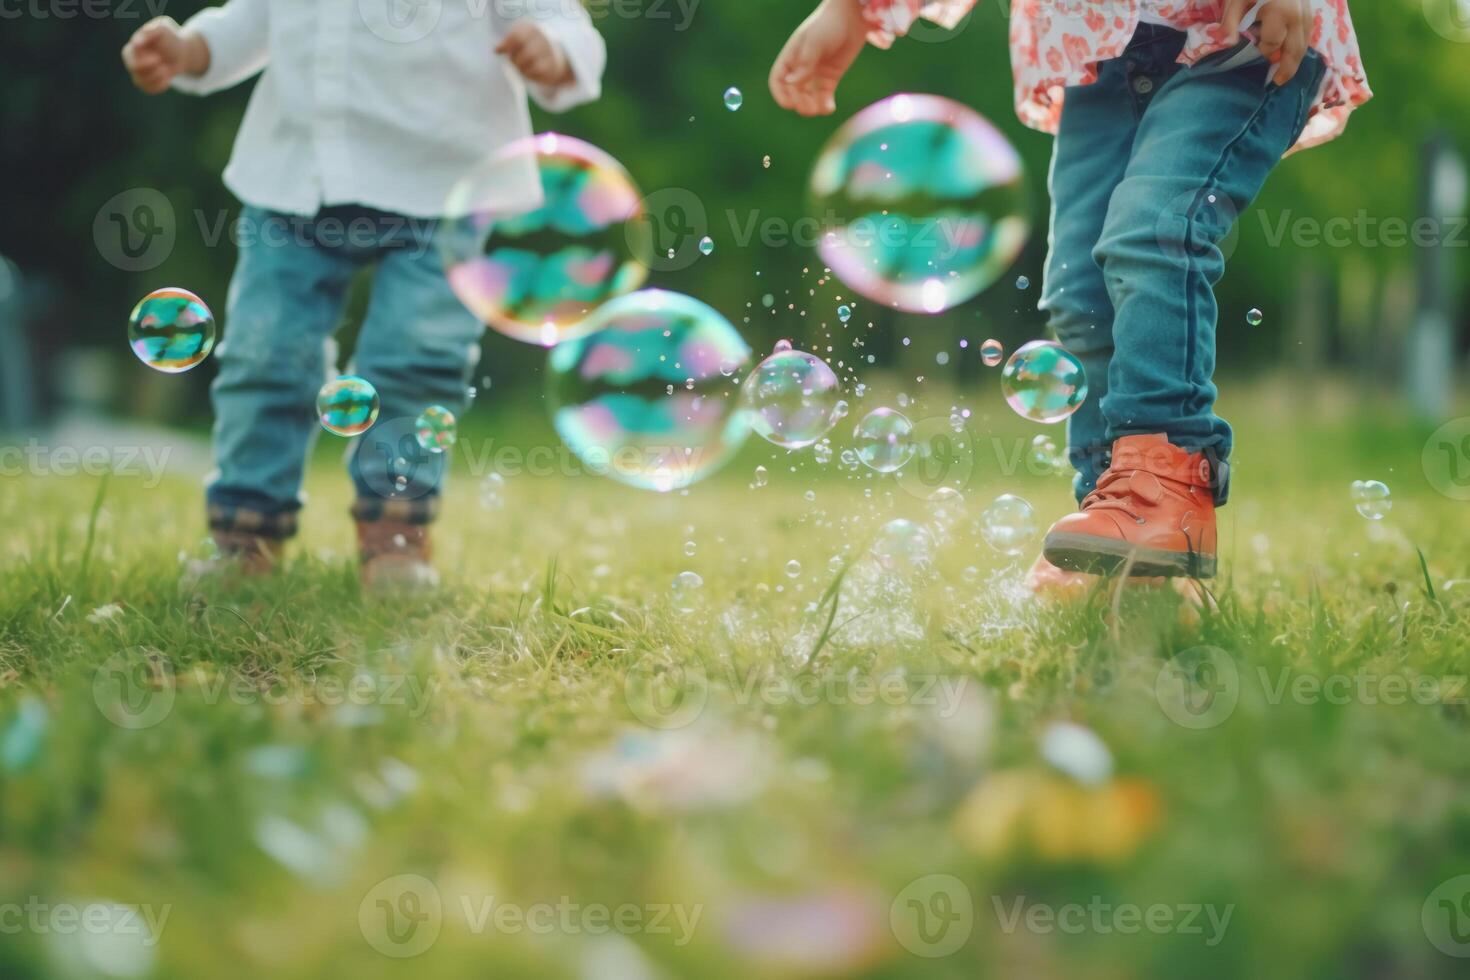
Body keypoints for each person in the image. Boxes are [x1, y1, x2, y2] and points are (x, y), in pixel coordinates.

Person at [769, 0, 1369, 591]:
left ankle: (1167, 490)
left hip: (1234, 34)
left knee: (1153, 233)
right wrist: (854, 9)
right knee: (1077, 292)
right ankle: (1115, 534)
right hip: (1094, 53)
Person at [122, 0, 606, 589]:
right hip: (296, 176)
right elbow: (250, 20)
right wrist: (190, 49)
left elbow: (563, 22)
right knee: (265, 355)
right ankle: (244, 534)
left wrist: (552, 52)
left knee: (416, 360)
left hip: (444, 186)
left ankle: (395, 534)